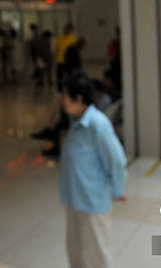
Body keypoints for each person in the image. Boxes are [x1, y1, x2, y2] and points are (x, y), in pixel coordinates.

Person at [60, 71, 127, 268]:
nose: (63, 100)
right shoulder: (75, 121)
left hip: (93, 201)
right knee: (76, 252)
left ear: (79, 98)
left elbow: (116, 161)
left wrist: (117, 189)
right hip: (74, 199)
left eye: (66, 96)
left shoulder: (97, 124)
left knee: (97, 255)